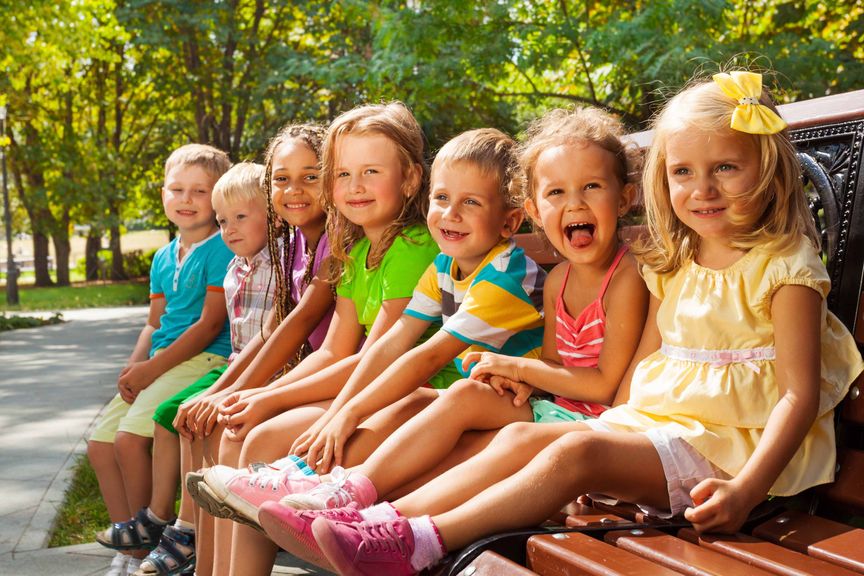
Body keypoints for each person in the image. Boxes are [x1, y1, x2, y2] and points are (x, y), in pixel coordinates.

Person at [307, 71, 864, 575]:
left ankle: (420, 543)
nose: (703, 189)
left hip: (737, 459)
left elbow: (797, 393)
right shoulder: (675, 265)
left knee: (574, 452)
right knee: (532, 436)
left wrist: (746, 490)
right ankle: (381, 522)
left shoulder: (784, 267)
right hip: (664, 434)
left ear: (764, 167)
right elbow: (639, 380)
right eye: (683, 172)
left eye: (725, 168)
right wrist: (608, 444)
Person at [257, 106, 649, 568]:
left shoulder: (622, 277)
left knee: (447, 407)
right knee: (457, 395)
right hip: (548, 407)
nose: (575, 204)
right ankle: (351, 496)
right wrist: (526, 379)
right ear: (535, 210)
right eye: (558, 192)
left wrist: (517, 369)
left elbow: (604, 385)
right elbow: (552, 365)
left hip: (590, 428)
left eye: (591, 188)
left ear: (624, 199)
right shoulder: (559, 277)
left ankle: (376, 519)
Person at [193, 102, 441, 576]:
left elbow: (379, 359)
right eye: (344, 173)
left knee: (259, 434)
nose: (356, 186)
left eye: (371, 171)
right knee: (241, 427)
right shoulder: (360, 249)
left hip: (400, 398)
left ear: (410, 179)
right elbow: (333, 349)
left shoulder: (412, 246)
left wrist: (273, 400)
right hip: (368, 389)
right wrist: (264, 394)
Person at [173, 124, 335, 576]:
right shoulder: (292, 243)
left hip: (324, 377)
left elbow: (299, 321)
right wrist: (220, 390)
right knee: (202, 422)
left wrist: (241, 394)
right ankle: (207, 566)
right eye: (282, 179)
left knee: (234, 431)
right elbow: (268, 331)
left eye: (311, 176)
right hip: (304, 370)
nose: (295, 190)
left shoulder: (333, 242)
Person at [97, 162, 270, 576]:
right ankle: (134, 547)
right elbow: (154, 322)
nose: (186, 200)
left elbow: (210, 325)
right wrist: (137, 364)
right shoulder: (163, 256)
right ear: (162, 195)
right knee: (100, 443)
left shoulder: (221, 251)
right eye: (177, 189)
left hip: (204, 357)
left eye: (198, 191)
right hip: (162, 359)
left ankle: (155, 537)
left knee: (130, 437)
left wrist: (150, 369)